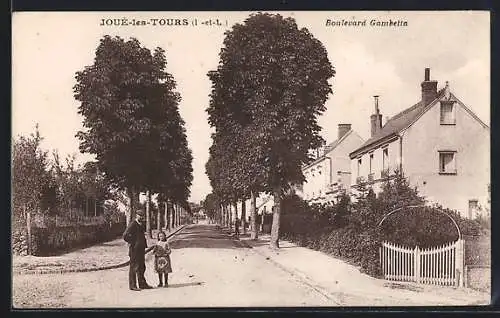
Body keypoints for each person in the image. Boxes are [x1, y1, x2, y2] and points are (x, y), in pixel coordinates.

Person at [123, 210, 152, 291]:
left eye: (142, 216)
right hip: (134, 250)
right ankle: (132, 286)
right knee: (134, 267)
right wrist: (133, 242)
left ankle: (142, 284)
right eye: (140, 215)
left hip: (141, 249)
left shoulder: (141, 224)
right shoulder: (133, 224)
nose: (141, 217)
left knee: (142, 267)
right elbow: (125, 235)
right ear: (136, 215)